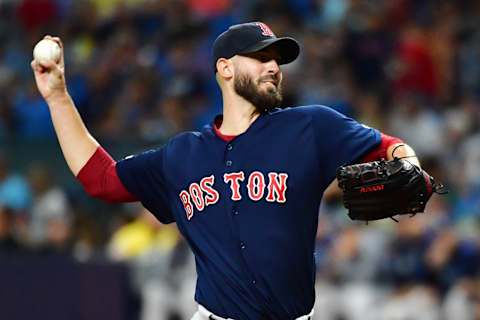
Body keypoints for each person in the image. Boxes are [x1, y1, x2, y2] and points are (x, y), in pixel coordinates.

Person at [32, 22, 421, 320]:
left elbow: (388, 146)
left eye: (277, 60)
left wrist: (409, 162)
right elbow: (101, 180)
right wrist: (58, 98)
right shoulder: (182, 155)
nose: (273, 66)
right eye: (261, 57)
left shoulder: (310, 127)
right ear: (225, 68)